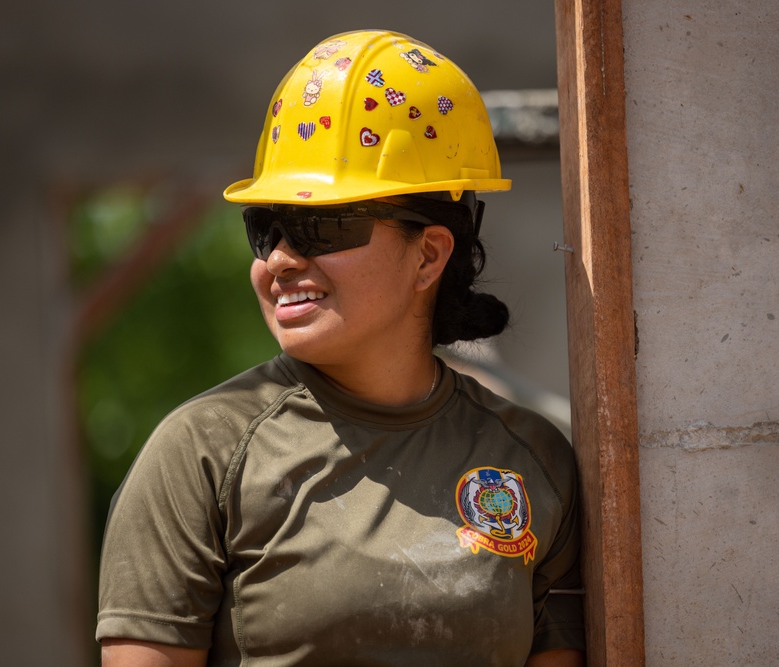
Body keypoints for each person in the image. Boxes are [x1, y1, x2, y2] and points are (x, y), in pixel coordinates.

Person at [96, 30, 585, 667]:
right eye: (265, 229)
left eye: (321, 227)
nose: (280, 258)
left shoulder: (533, 460)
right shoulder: (200, 454)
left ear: (429, 254)